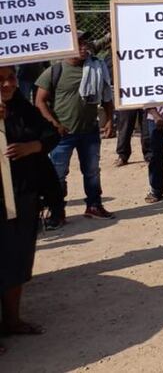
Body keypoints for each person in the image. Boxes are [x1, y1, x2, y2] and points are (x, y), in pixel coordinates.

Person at [0, 64, 61, 354]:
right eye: (1, 80)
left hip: (23, 196)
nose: (8, 85)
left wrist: (33, 146)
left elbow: (52, 134)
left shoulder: (23, 109)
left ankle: (12, 320)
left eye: (11, 78)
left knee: (19, 259)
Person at [34, 32, 115, 225]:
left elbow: (106, 96)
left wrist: (110, 119)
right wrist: (56, 125)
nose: (84, 47)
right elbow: (40, 101)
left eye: (85, 43)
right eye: (78, 44)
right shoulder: (55, 71)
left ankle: (94, 205)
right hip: (62, 135)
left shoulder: (96, 68)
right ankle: (57, 211)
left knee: (92, 171)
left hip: (89, 131)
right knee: (58, 174)